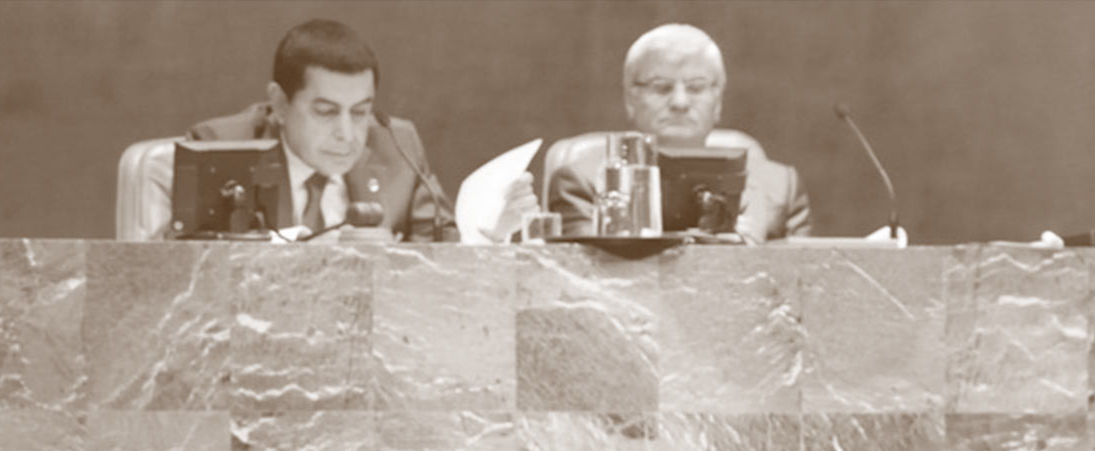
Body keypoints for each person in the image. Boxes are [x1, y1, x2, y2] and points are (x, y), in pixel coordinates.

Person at [172, 20, 517, 242]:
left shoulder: (398, 146)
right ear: (279, 104)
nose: (347, 133)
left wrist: (492, 236)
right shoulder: (219, 149)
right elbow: (185, 274)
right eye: (326, 112)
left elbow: (444, 250)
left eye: (360, 112)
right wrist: (308, 253)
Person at [546, 24, 812, 242]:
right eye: (661, 87)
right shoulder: (582, 182)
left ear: (718, 101)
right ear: (630, 98)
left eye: (696, 88)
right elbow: (584, 284)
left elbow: (803, 287)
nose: (680, 102)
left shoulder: (779, 187)